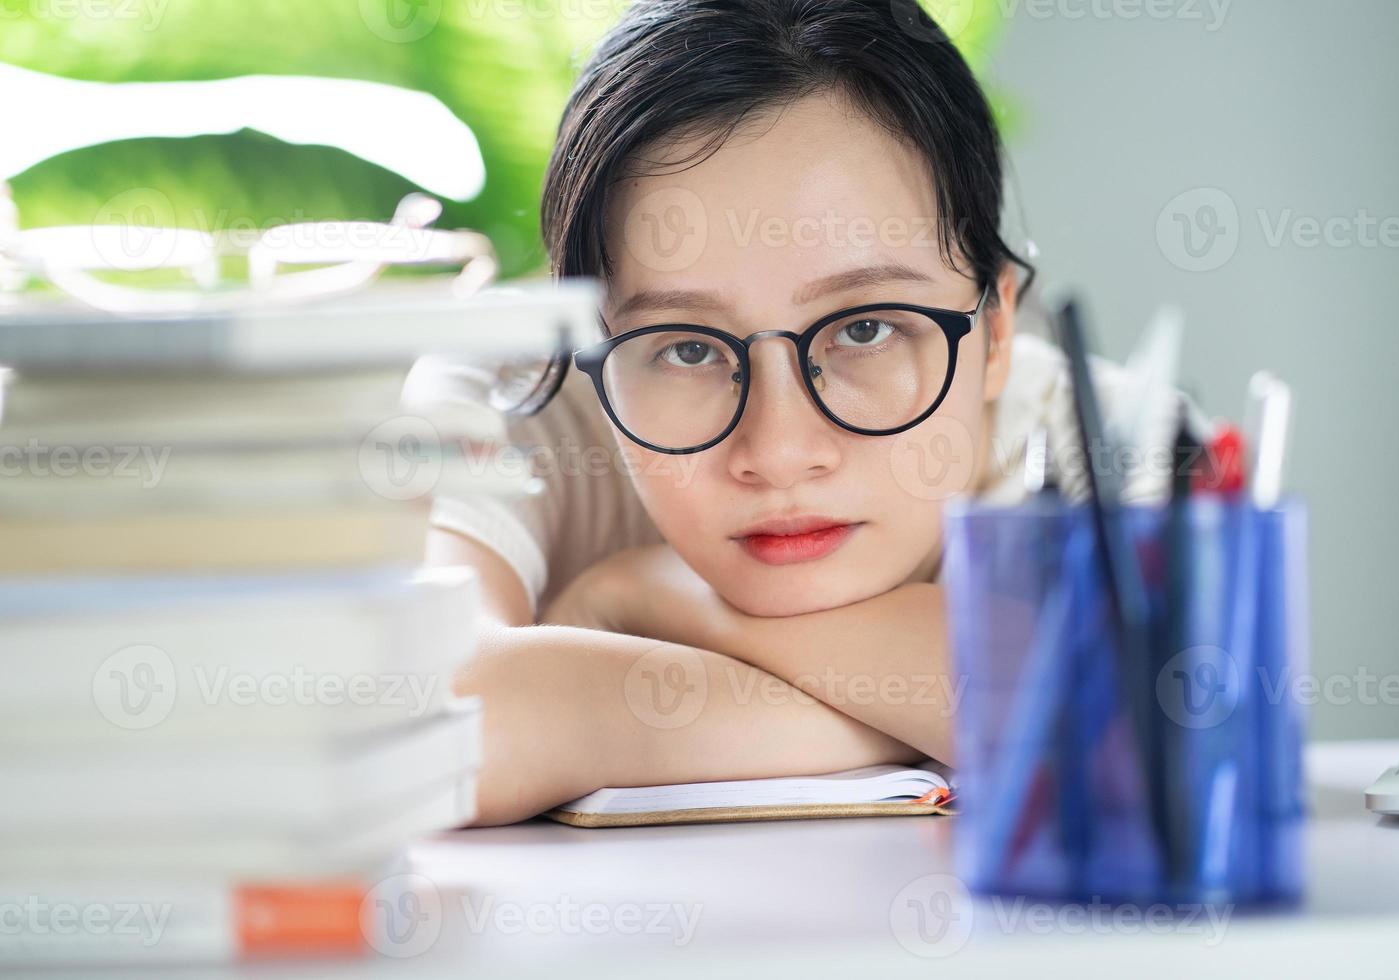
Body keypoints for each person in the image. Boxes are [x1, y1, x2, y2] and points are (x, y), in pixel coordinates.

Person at [407, 0, 1126, 825]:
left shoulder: (1103, 439)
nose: (780, 451)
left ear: (995, 332)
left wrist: (648, 595)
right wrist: (932, 717)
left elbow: (1136, 723)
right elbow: (431, 722)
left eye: (865, 329)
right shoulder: (516, 388)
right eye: (687, 348)